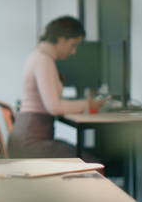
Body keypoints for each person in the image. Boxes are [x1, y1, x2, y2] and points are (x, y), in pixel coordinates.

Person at [7, 16, 107, 160]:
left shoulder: (37, 56)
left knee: (85, 156)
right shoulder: (43, 60)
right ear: (61, 39)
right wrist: (87, 104)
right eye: (73, 45)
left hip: (26, 136)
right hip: (31, 142)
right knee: (92, 161)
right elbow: (53, 107)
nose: (73, 52)